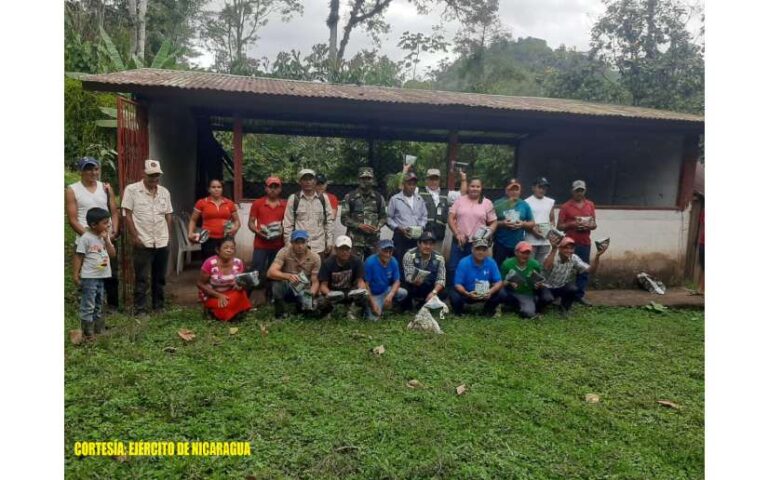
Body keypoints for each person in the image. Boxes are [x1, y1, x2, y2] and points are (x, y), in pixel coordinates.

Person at [66, 156, 120, 310]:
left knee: (110, 270)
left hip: (106, 236)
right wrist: (91, 237)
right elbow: (73, 219)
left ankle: (112, 306)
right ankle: (87, 305)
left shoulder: (106, 188)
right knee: (88, 270)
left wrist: (113, 230)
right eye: (88, 169)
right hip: (85, 237)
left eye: (95, 169)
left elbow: (114, 212)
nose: (92, 172)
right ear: (81, 171)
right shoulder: (72, 190)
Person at [121, 159, 174, 315]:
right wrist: (134, 236)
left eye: (157, 175)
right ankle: (140, 309)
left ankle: (159, 306)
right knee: (142, 278)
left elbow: (169, 215)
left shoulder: (164, 192)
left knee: (160, 277)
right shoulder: (132, 190)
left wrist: (169, 236)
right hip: (143, 241)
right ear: (144, 174)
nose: (154, 179)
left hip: (162, 240)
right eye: (151, 175)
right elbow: (127, 215)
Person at [72, 207, 116, 339]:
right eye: (105, 222)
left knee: (99, 303)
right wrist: (75, 274)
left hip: (101, 276)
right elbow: (78, 256)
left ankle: (99, 329)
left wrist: (107, 240)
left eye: (108, 221)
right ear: (93, 225)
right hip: (89, 277)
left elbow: (113, 255)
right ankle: (87, 333)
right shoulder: (86, 238)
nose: (108, 224)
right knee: (89, 304)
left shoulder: (104, 236)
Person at [447, 177, 498, 286]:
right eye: (472, 186)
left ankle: (472, 291)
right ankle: (454, 293)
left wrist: (489, 232)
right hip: (460, 240)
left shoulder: (487, 203)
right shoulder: (459, 200)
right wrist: (457, 233)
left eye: (478, 186)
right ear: (468, 187)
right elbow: (450, 218)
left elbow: (494, 222)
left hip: (478, 243)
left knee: (474, 267)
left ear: (481, 188)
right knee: (453, 267)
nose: (475, 189)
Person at [541, 236, 607, 316]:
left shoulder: (574, 258)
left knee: (573, 289)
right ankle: (541, 308)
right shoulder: (552, 255)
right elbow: (547, 267)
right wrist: (554, 249)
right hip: (546, 287)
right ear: (560, 248)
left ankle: (564, 308)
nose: (569, 251)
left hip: (560, 286)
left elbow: (591, 270)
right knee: (547, 299)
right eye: (566, 248)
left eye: (571, 248)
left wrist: (597, 256)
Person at [557, 180, 598, 305]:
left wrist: (588, 226)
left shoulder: (590, 205)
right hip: (569, 244)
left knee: (583, 270)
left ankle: (579, 295)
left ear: (584, 191)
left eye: (581, 190)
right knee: (567, 270)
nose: (579, 193)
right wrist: (572, 224)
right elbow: (559, 226)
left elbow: (594, 224)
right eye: (577, 191)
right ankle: (564, 294)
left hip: (585, 241)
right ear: (572, 191)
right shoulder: (565, 206)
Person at [247, 176, 287, 305]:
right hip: (261, 243)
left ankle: (270, 296)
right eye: (271, 187)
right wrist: (258, 231)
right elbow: (251, 223)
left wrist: (282, 231)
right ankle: (247, 296)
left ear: (280, 189)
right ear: (266, 188)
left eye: (276, 187)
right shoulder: (258, 203)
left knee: (274, 271)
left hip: (278, 244)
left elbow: (288, 223)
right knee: (256, 270)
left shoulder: (285, 205)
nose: (273, 190)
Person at [267, 230, 322, 318]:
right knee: (276, 284)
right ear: (292, 243)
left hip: (304, 288)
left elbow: (315, 281)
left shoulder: (315, 257)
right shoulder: (284, 252)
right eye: (297, 242)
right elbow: (270, 272)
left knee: (312, 312)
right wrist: (288, 276)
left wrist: (310, 296)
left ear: (307, 242)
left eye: (303, 242)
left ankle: (301, 307)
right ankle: (280, 313)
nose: (300, 246)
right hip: (287, 286)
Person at [196, 237, 252, 322]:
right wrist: (218, 295)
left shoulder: (238, 263)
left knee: (242, 294)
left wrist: (240, 286)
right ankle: (214, 311)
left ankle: (229, 311)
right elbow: (200, 283)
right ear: (218, 250)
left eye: (232, 248)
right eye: (226, 248)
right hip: (212, 294)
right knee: (226, 305)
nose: (229, 250)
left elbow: (241, 282)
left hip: (230, 293)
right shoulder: (210, 263)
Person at [282, 169, 334, 258]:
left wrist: (329, 242)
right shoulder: (294, 199)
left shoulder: (323, 198)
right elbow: (288, 224)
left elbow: (329, 222)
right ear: (300, 182)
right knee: (299, 272)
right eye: (304, 179)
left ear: (315, 181)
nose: (308, 182)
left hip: (319, 246)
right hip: (299, 246)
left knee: (318, 271)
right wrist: (288, 244)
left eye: (310, 179)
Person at [449, 238, 507, 316]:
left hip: (485, 293)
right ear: (472, 250)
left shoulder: (491, 262)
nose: (481, 252)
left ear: (487, 251)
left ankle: (488, 311)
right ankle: (460, 312)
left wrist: (490, 292)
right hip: (468, 293)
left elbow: (499, 281)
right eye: (478, 249)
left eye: (484, 250)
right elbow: (457, 284)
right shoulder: (463, 262)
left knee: (501, 292)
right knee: (454, 294)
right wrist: (467, 293)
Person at [341, 167, 388, 260]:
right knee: (354, 267)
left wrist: (378, 226)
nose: (366, 181)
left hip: (373, 241)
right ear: (358, 179)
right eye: (363, 178)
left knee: (371, 267)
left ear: (373, 180)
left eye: (368, 178)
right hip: (355, 241)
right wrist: (359, 225)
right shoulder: (350, 197)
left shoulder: (379, 198)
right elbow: (343, 218)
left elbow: (384, 217)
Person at [188, 179, 240, 261]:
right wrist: (190, 233)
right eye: (213, 187)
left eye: (219, 187)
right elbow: (193, 220)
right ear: (209, 189)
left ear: (222, 189)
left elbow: (237, 221)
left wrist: (235, 228)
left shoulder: (229, 203)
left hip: (225, 239)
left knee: (225, 263)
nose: (216, 189)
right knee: (209, 263)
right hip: (208, 239)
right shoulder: (201, 202)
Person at [318, 235, 368, 319]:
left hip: (350, 293)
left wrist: (360, 290)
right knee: (320, 301)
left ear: (351, 250)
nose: (345, 252)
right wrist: (329, 293)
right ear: (336, 249)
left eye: (347, 249)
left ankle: (353, 312)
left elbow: (360, 281)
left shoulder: (356, 261)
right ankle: (328, 313)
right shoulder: (328, 263)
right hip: (334, 293)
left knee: (365, 295)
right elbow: (323, 285)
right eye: (341, 249)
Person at [420, 168, 467, 251]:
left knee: (435, 261)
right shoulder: (419, 192)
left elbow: (462, 195)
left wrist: (463, 178)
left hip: (438, 237)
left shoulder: (446, 193)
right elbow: (403, 189)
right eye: (431, 179)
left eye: (436, 179)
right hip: (422, 237)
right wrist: (405, 170)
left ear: (439, 180)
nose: (433, 181)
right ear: (426, 180)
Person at [387, 171, 428, 265]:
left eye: (414, 184)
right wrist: (398, 228)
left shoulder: (420, 199)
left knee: (414, 263)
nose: (412, 187)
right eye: (409, 184)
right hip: (400, 236)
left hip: (416, 237)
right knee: (399, 262)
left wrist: (421, 227)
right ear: (403, 184)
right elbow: (389, 218)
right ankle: (399, 279)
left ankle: (411, 280)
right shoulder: (395, 199)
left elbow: (424, 216)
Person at [499, 241, 548, 319]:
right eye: (523, 253)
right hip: (511, 292)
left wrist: (538, 285)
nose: (525, 255)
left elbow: (540, 282)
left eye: (528, 253)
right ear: (516, 252)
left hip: (526, 293)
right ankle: (508, 305)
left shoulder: (535, 264)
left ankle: (521, 305)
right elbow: (500, 283)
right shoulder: (507, 264)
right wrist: (509, 282)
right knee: (501, 293)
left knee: (528, 313)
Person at [492, 178, 534, 268]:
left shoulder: (524, 204)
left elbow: (532, 223)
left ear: (520, 190)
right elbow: (490, 222)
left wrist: (522, 224)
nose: (514, 192)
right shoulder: (498, 204)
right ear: (506, 190)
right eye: (511, 189)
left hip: (518, 245)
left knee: (516, 270)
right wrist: (502, 223)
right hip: (500, 243)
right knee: (498, 268)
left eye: (517, 189)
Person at [401, 231, 446, 311]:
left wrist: (434, 292)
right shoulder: (409, 255)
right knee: (405, 287)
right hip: (413, 285)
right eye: (425, 243)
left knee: (443, 291)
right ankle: (407, 306)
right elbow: (407, 276)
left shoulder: (439, 258)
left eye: (431, 244)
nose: (428, 246)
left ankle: (423, 304)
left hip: (428, 286)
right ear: (419, 243)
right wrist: (413, 280)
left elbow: (441, 279)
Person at [364, 239, 408, 320]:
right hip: (373, 294)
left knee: (403, 293)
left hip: (386, 290)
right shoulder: (370, 262)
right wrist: (372, 303)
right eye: (385, 251)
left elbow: (397, 281)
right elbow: (366, 285)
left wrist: (390, 295)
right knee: (373, 319)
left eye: (390, 251)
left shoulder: (394, 261)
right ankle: (370, 307)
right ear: (379, 250)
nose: (388, 254)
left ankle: (388, 306)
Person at [524, 176, 556, 264]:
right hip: (530, 240)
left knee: (541, 267)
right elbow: (524, 222)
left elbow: (552, 220)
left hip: (545, 241)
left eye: (544, 188)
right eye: (540, 187)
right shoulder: (526, 202)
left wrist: (548, 231)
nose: (542, 190)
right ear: (533, 188)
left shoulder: (550, 202)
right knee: (530, 265)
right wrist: (534, 231)